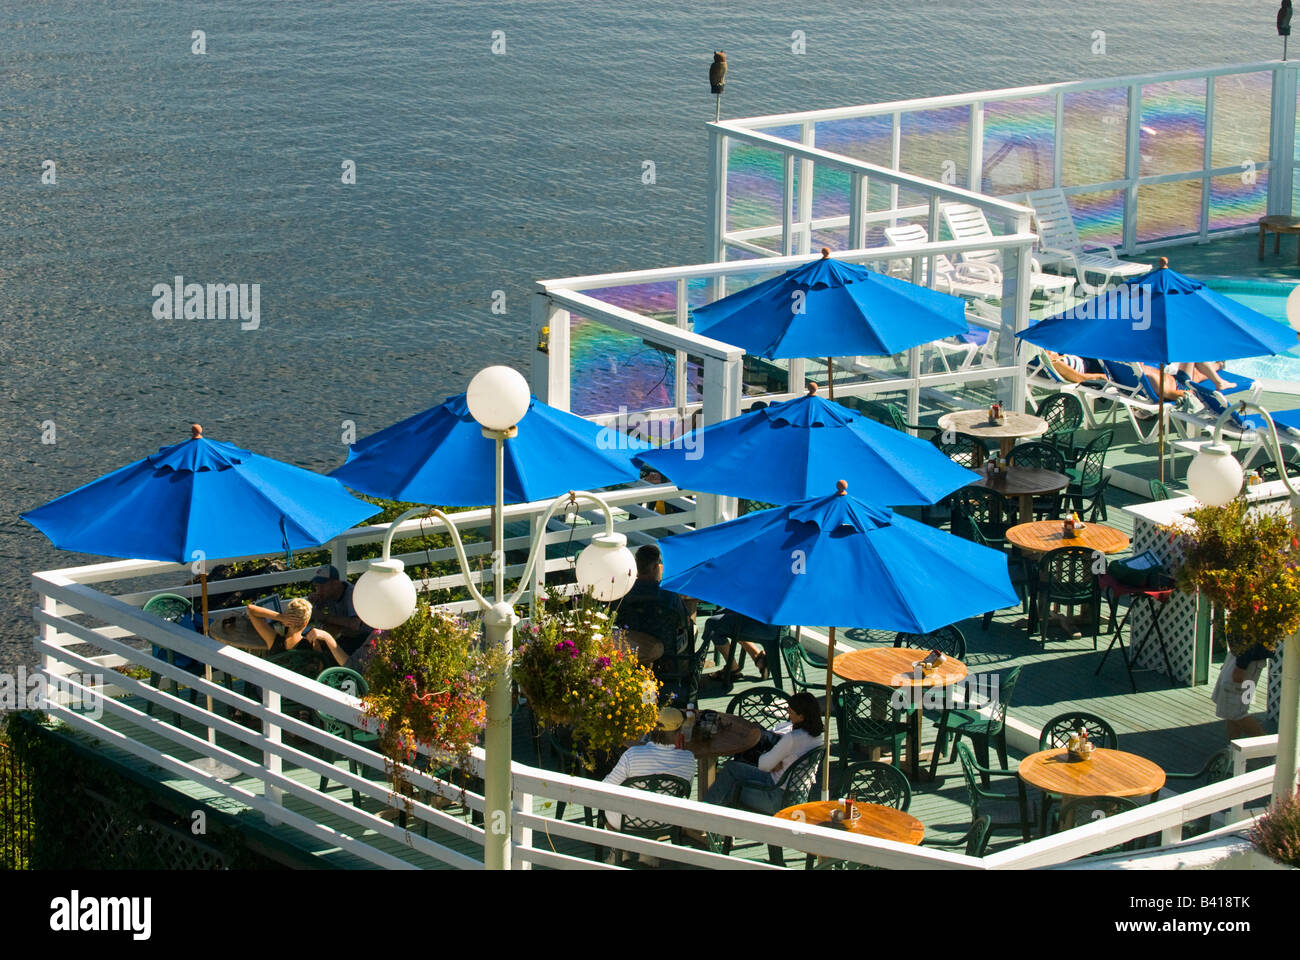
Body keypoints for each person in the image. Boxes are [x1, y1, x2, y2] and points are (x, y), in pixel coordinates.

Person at [703, 692, 822, 812]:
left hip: (775, 797)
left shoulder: (791, 738)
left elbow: (764, 765)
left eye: (790, 712)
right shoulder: (819, 739)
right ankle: (706, 815)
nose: (788, 715)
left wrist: (774, 760)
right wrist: (779, 761)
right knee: (730, 768)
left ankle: (700, 818)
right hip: (797, 795)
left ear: (801, 717)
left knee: (727, 785)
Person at [601, 706, 696, 830]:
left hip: (626, 821)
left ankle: (619, 846)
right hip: (666, 822)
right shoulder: (688, 759)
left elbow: (606, 786)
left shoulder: (632, 754)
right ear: (679, 732)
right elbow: (684, 792)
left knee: (606, 805)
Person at [614, 544, 692, 656]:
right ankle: (681, 670)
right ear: (656, 566)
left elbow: (618, 617)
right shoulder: (668, 593)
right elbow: (684, 621)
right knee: (692, 630)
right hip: (666, 646)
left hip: (633, 644)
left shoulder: (626, 591)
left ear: (636, 564)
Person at [306, 565, 372, 660]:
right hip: (347, 636)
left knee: (328, 655)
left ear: (336, 583)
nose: (319, 590)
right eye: (316, 586)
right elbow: (317, 615)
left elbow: (355, 625)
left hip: (365, 639)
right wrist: (313, 603)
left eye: (322, 586)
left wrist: (324, 617)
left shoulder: (352, 594)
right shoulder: (329, 594)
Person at [1211, 643, 1273, 740]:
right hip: (1239, 656)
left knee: (1238, 712)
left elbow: (1250, 637)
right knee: (1231, 711)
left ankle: (1270, 748)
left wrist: (1240, 666)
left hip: (1247, 661)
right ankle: (1234, 750)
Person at [703, 609, 778, 680]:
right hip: (778, 620)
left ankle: (732, 669)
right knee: (720, 613)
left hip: (766, 624)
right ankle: (759, 657)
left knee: (712, 624)